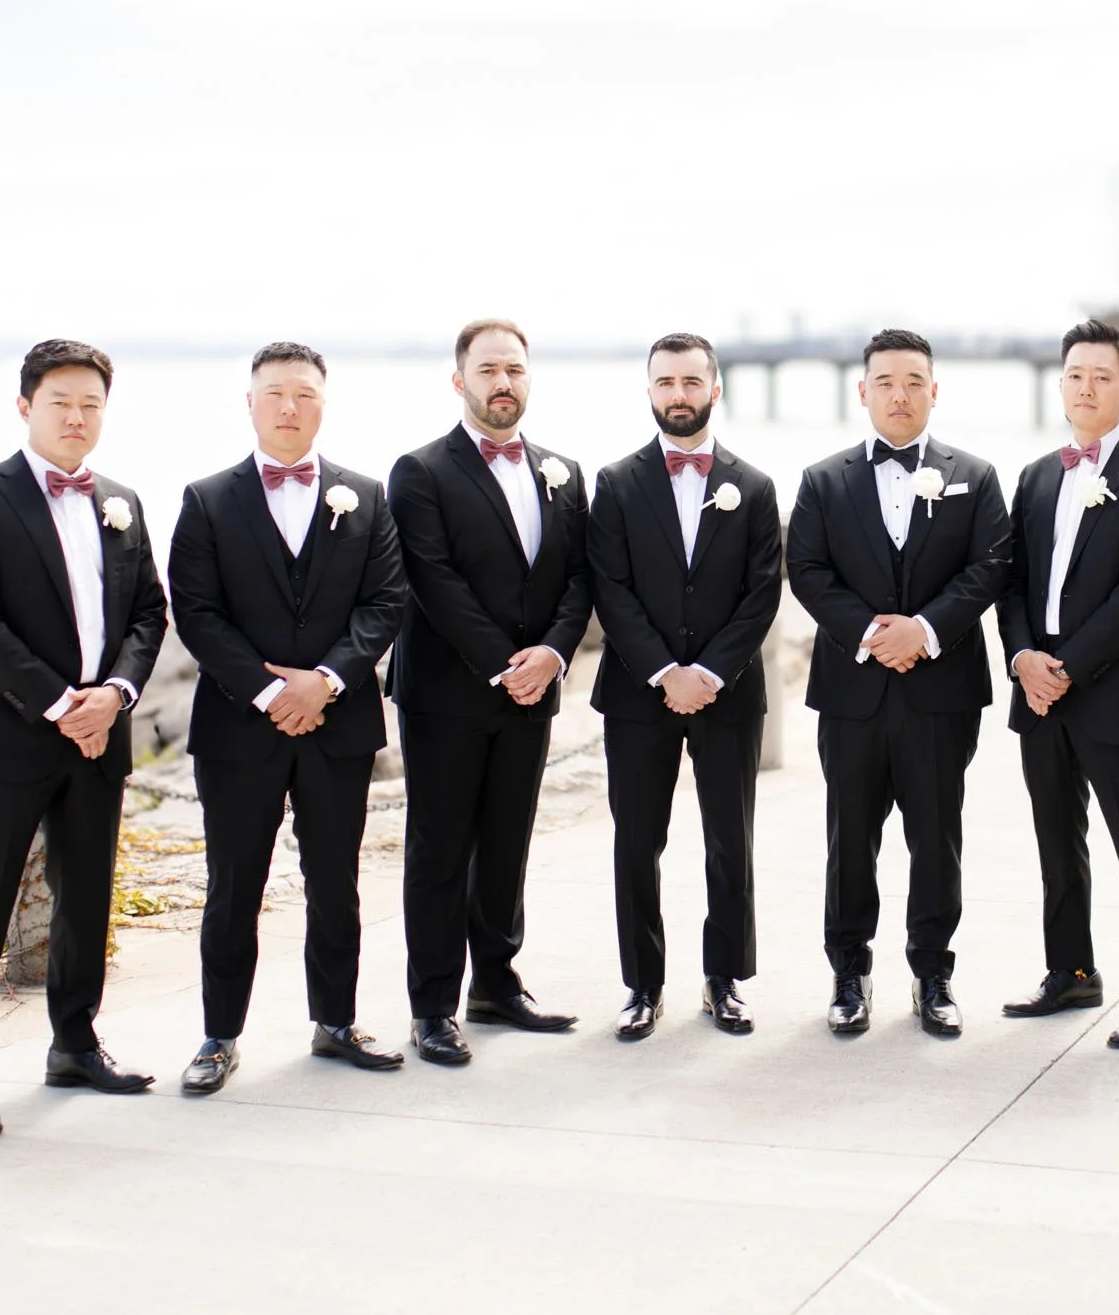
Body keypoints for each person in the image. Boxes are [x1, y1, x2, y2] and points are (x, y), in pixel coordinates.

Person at [0, 339, 169, 1136]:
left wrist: (115, 694)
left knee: (87, 898)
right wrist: (63, 702)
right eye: (61, 402)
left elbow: (149, 612)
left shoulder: (122, 501)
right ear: (25, 406)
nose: (76, 417)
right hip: (10, 735)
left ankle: (74, 1043)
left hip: (100, 733)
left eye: (91, 404)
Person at [165, 342, 410, 1094]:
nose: (289, 407)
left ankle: (336, 1022)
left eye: (304, 393)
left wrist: (327, 682)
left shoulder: (366, 496)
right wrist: (271, 693)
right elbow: (197, 612)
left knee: (336, 882)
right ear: (250, 403)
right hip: (239, 727)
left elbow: (385, 602)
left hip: (339, 724)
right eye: (274, 393)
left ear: (323, 404)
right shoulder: (207, 499)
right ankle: (218, 1036)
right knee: (233, 886)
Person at [785, 328, 1011, 1036]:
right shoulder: (823, 480)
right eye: (885, 382)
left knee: (937, 838)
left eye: (914, 382)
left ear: (935, 391)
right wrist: (872, 635)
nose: (900, 394)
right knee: (850, 839)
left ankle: (933, 975)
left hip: (942, 694)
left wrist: (926, 630)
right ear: (863, 392)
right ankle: (849, 974)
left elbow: (990, 566)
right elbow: (807, 570)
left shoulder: (976, 475)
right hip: (852, 694)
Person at [388, 319, 593, 1063]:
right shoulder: (419, 471)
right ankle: (433, 1006)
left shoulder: (564, 471)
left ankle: (497, 985)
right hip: (447, 693)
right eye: (487, 370)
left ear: (528, 379)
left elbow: (580, 576)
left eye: (514, 369)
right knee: (440, 849)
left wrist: (554, 654)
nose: (502, 383)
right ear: (459, 381)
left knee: (508, 842)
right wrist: (507, 663)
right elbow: (433, 580)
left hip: (534, 690)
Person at [995, 319, 1119, 1049]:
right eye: (1075, 374)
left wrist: (1066, 668)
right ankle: (1071, 971)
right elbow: (1011, 581)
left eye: (1102, 376)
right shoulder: (1036, 476)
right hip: (1037, 689)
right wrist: (1023, 657)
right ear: (1061, 384)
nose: (1086, 387)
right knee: (1057, 840)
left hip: (1111, 692)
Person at [585, 334, 784, 1039]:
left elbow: (762, 594)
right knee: (637, 842)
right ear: (649, 391)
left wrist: (710, 672)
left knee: (730, 841)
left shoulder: (753, 486)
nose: (679, 394)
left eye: (691, 381)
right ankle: (643, 985)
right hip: (639, 693)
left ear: (714, 389)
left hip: (729, 693)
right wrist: (664, 671)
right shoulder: (615, 483)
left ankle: (724, 979)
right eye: (666, 382)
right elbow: (610, 589)